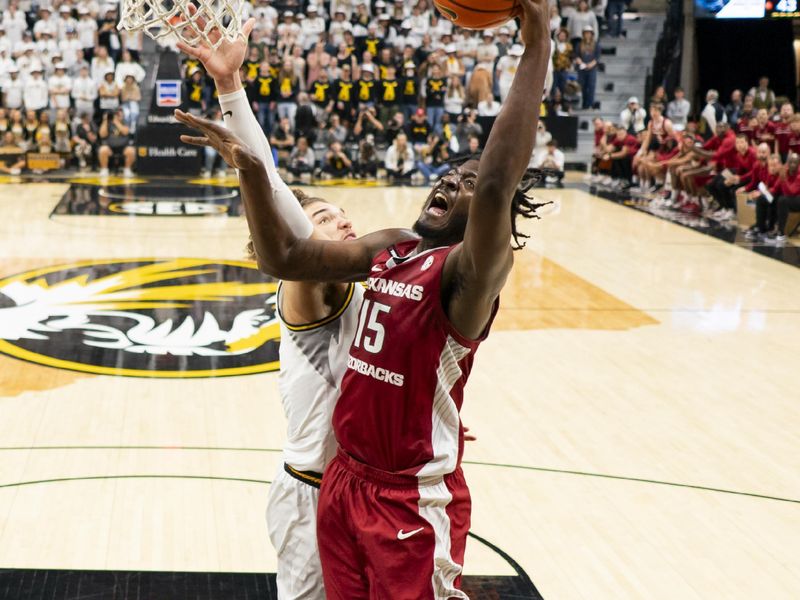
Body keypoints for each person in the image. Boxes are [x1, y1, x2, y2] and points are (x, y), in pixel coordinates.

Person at [174, 0, 549, 595]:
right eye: (450, 173)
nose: (451, 180)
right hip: (334, 482)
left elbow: (499, 183)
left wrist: (538, 45)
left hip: (401, 496)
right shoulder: (373, 259)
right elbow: (287, 239)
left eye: (469, 183)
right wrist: (245, 154)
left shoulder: (463, 271)